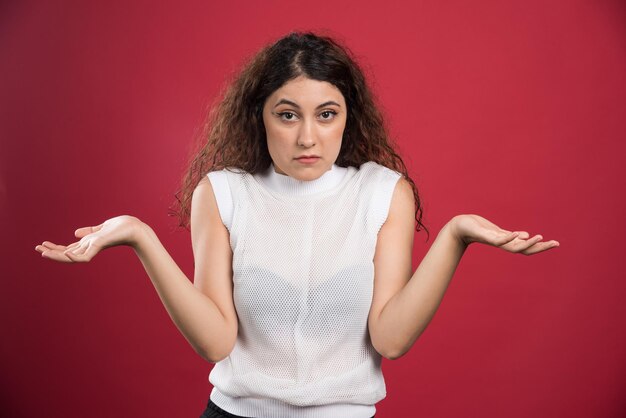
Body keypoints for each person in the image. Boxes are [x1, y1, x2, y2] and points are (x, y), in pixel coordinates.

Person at [34, 31, 559, 418]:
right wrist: (138, 236)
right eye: (288, 115)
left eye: (326, 114)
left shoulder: (382, 192)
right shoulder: (223, 193)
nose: (308, 137)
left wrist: (455, 236)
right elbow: (216, 341)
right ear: (258, 116)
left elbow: (391, 338)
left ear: (348, 116)